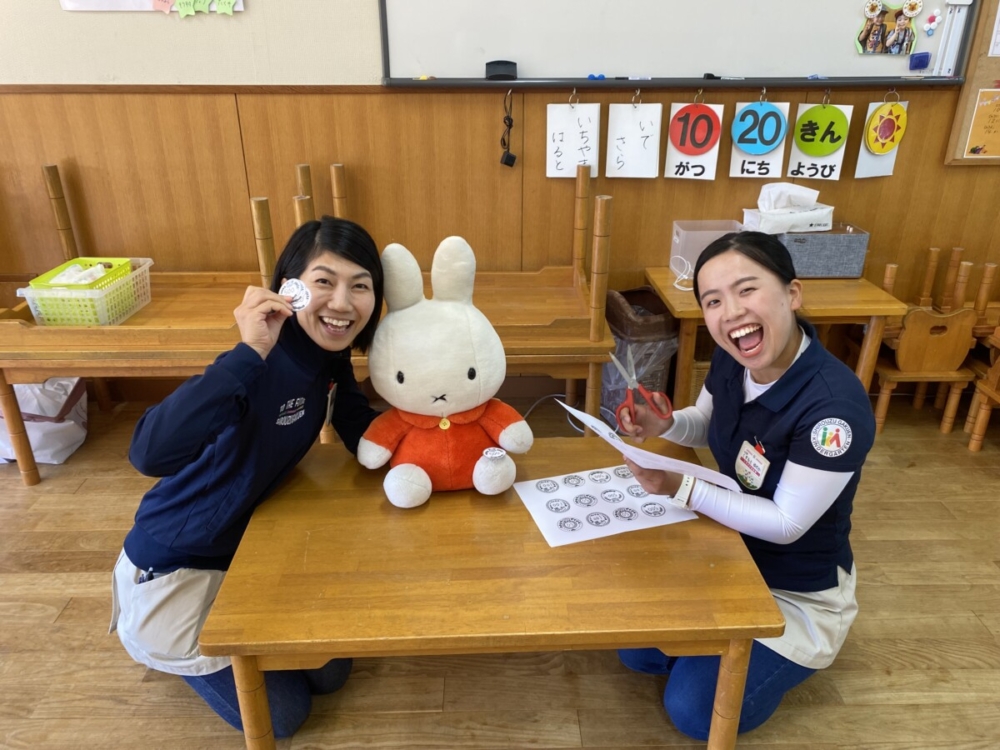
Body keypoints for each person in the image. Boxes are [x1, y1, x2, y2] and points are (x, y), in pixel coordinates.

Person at [109, 216, 384, 737]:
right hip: (176, 565)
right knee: (284, 716)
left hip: (246, 550)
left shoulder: (329, 354)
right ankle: (151, 639)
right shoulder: (257, 361)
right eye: (325, 282)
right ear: (291, 287)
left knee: (332, 673)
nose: (343, 303)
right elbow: (148, 453)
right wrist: (248, 352)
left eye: (361, 286)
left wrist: (429, 449)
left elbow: (354, 420)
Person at [616, 231, 874, 740]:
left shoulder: (833, 410)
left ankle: (776, 651)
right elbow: (707, 422)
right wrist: (661, 425)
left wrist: (680, 487)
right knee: (634, 650)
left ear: (792, 294)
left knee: (692, 712)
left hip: (796, 590)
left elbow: (785, 524)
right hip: (733, 551)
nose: (730, 311)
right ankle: (718, 647)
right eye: (713, 300)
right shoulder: (736, 358)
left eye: (746, 289)